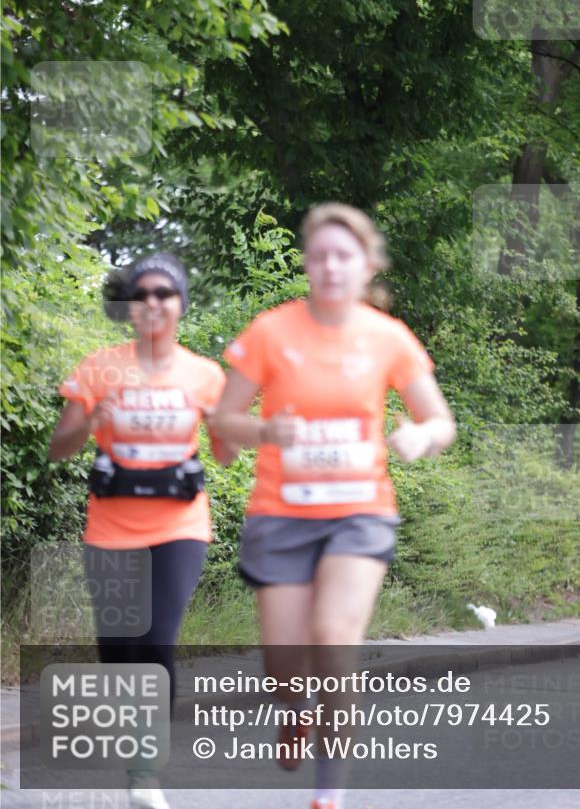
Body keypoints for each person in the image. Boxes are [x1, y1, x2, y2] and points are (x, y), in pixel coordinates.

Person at [210, 203, 456, 809]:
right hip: (281, 514)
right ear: (307, 264)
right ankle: (294, 709)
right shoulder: (271, 332)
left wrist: (419, 436)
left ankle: (329, 794)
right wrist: (266, 431)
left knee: (334, 640)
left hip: (359, 513)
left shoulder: (387, 337)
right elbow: (223, 420)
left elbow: (440, 421)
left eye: (343, 256)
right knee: (284, 668)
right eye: (318, 256)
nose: (330, 267)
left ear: (367, 265)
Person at [49, 252, 233, 809]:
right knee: (119, 648)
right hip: (111, 527)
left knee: (155, 639)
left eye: (164, 293)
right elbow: (59, 448)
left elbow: (226, 453)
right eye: (142, 293)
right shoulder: (99, 367)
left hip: (180, 524)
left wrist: (229, 424)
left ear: (180, 304)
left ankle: (144, 776)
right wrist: (92, 419)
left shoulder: (204, 374)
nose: (152, 302)